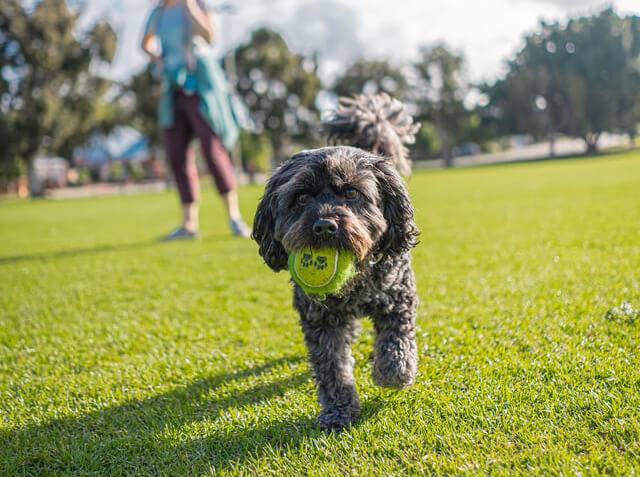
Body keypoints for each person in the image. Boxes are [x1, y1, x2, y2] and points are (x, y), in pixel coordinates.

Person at [141, 0, 250, 239]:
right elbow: (145, 43)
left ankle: (234, 217)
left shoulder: (196, 4)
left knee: (212, 151)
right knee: (176, 155)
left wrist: (190, 7)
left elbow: (210, 36)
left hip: (200, 85)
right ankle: (189, 224)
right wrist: (157, 58)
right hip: (173, 87)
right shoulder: (158, 13)